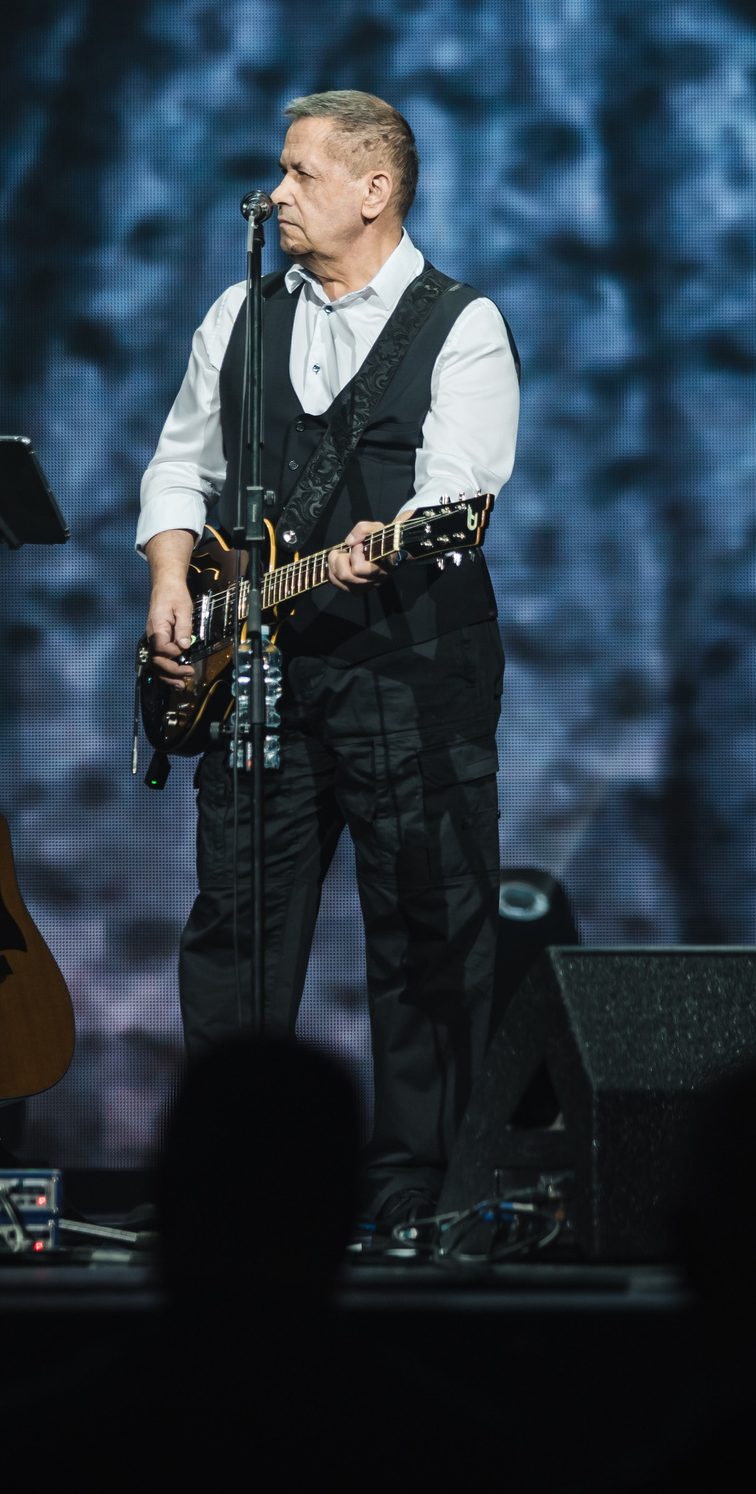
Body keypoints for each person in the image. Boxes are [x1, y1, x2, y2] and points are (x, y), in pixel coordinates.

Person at [138, 89, 519, 1234]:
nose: (276, 194)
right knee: (237, 933)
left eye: (300, 174)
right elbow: (178, 465)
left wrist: (387, 545)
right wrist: (169, 581)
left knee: (423, 931)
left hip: (410, 671)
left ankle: (412, 1191)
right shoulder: (240, 314)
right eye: (279, 171)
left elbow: (459, 491)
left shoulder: (465, 325)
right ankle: (237, 1185)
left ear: (374, 189)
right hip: (258, 674)